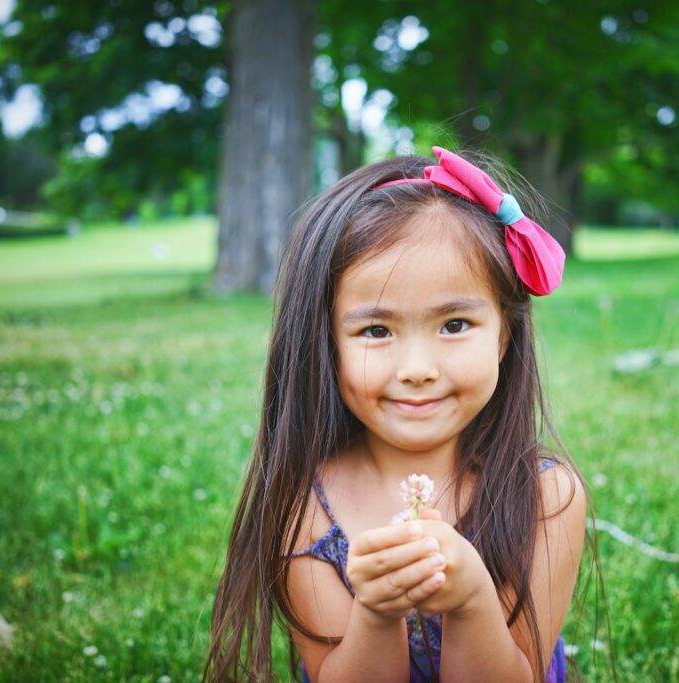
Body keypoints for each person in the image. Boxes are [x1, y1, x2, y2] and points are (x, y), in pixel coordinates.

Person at [205, 147, 594, 683]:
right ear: (327, 343)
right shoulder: (305, 503)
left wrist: (472, 600)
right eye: (376, 330)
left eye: (455, 324)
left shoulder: (546, 496)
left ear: (504, 333)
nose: (417, 369)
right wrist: (377, 612)